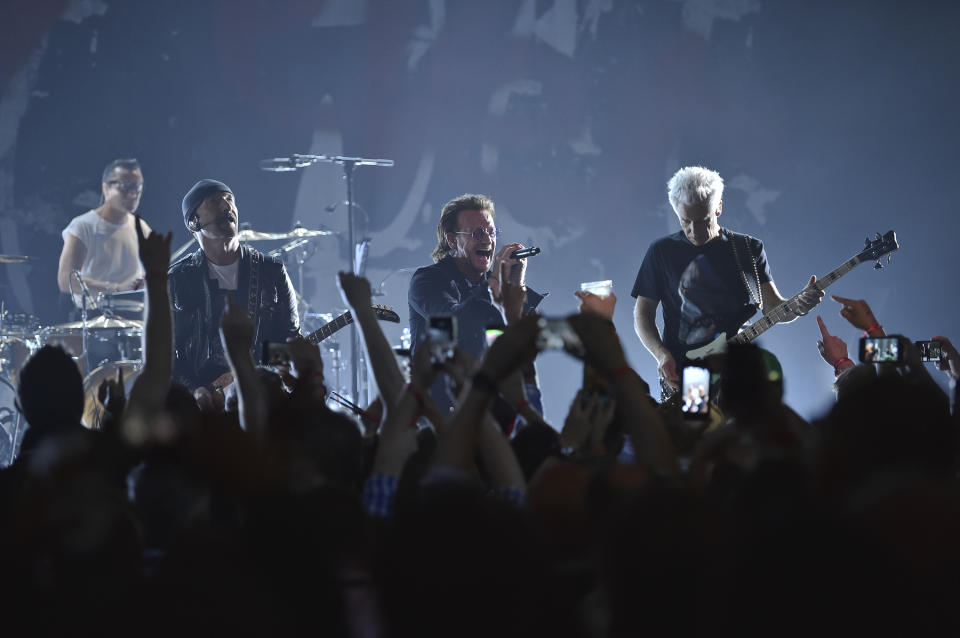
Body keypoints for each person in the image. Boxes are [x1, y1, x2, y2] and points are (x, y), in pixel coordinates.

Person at [632, 166, 823, 391]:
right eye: (686, 221)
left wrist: (800, 306)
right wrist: (662, 355)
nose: (695, 230)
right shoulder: (661, 251)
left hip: (739, 373)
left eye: (703, 220)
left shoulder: (748, 249)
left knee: (744, 426)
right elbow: (642, 315)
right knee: (697, 425)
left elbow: (774, 309)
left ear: (719, 208)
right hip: (688, 376)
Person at [408, 193, 545, 411]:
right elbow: (456, 321)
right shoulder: (427, 281)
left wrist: (515, 283)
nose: (487, 240)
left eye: (491, 232)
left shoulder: (493, 285)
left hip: (489, 407)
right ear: (452, 240)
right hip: (438, 413)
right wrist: (495, 282)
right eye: (477, 233)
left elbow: (519, 344)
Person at [168, 179, 299, 405]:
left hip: (260, 397)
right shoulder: (177, 279)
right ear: (193, 222)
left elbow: (288, 335)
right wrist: (196, 390)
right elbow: (166, 353)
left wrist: (266, 370)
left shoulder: (271, 271)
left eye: (230, 200)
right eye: (215, 201)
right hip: (202, 404)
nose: (227, 207)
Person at [57, 158, 152, 308]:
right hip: (95, 321)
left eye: (137, 186)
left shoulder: (142, 227)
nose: (133, 193)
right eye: (125, 186)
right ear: (106, 188)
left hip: (135, 320)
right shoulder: (83, 226)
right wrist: (116, 289)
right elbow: (65, 280)